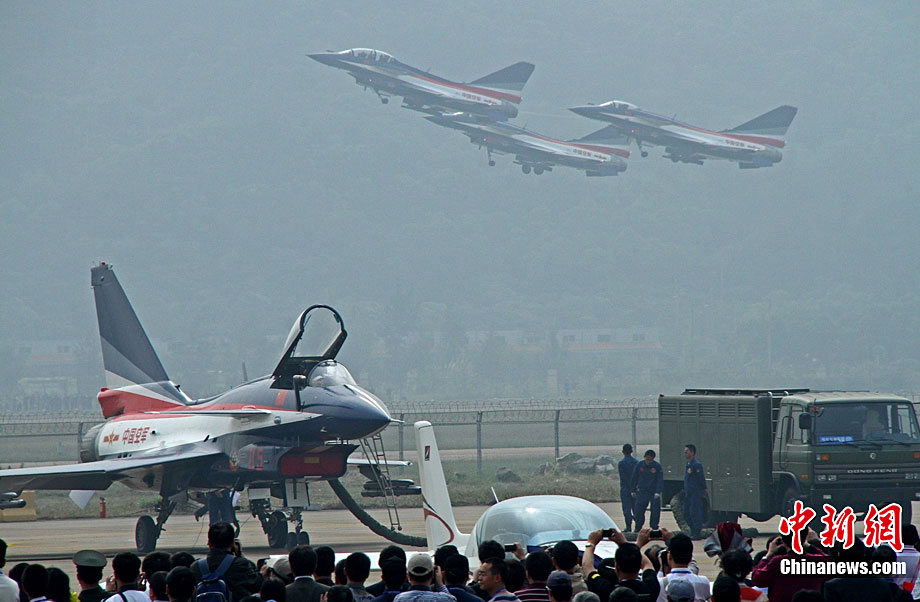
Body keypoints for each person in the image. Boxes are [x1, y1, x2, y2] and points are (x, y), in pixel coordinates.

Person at [189, 522, 262, 602]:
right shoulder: (240, 564)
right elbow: (256, 585)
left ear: (209, 543)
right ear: (232, 543)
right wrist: (240, 555)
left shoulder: (195, 567)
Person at [750, 529, 829, 602]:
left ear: (783, 541)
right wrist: (808, 545)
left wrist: (768, 555)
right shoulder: (816, 561)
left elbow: (757, 579)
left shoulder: (777, 562)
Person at [658, 534, 710, 602]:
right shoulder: (703, 582)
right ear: (691, 558)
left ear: (670, 556)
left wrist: (662, 569)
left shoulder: (659, 583)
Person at [631, 451, 663, 532]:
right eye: (647, 459)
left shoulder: (657, 466)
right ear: (644, 457)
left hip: (653, 491)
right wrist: (633, 490)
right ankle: (638, 527)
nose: (648, 461)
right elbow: (634, 477)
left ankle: (654, 527)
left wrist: (658, 492)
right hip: (642, 491)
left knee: (655, 511)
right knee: (639, 510)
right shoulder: (639, 465)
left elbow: (660, 480)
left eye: (650, 460)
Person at [682, 445, 706, 539]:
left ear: (692, 452)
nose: (685, 453)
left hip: (695, 493)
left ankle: (697, 533)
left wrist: (703, 488)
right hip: (688, 493)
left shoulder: (696, 465)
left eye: (687, 451)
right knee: (686, 513)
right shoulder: (688, 464)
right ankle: (692, 530)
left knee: (695, 512)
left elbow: (701, 478)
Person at [618, 444, 640, 532]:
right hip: (635, 489)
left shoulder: (621, 463)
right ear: (631, 451)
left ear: (623, 452)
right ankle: (637, 527)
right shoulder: (637, 463)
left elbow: (623, 478)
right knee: (636, 509)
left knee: (627, 509)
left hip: (625, 489)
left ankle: (628, 527)